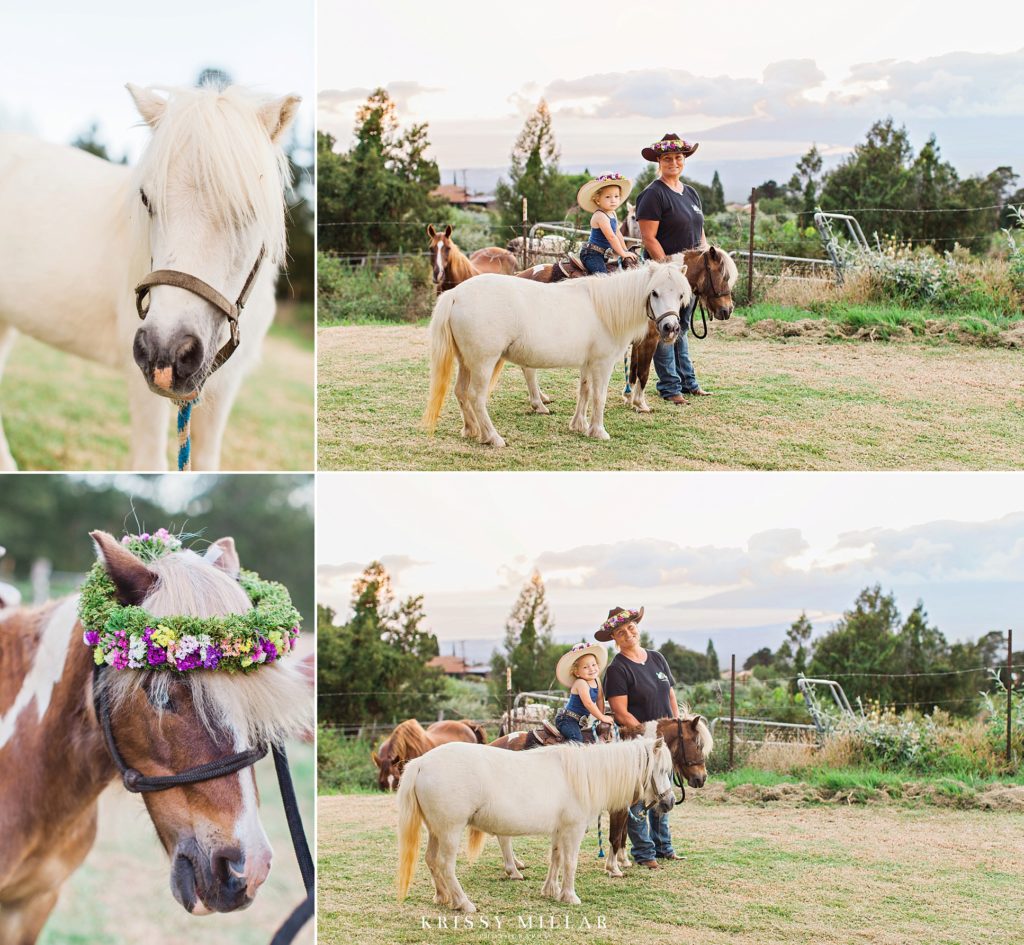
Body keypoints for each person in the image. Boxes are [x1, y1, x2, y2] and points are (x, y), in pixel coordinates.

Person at [598, 605, 682, 868]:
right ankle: (644, 853)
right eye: (621, 632)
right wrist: (647, 737)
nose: (628, 633)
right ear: (614, 638)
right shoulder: (618, 669)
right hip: (637, 745)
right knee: (637, 801)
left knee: (663, 792)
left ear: (637, 627)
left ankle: (663, 847)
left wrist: (676, 724)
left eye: (630, 628)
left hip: (662, 743)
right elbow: (621, 712)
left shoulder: (657, 658)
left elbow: (670, 695)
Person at [634, 133, 711, 404]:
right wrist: (668, 269)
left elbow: (700, 233)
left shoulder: (690, 193)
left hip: (688, 276)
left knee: (683, 328)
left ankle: (689, 382)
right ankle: (670, 388)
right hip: (665, 274)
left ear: (684, 160)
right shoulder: (653, 194)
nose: (674, 162)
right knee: (665, 330)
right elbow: (649, 238)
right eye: (667, 158)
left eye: (678, 157)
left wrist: (705, 261)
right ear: (659, 161)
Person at [575, 173, 638, 276]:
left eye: (616, 196)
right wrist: (622, 254)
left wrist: (625, 250)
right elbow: (611, 237)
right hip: (592, 254)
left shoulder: (612, 213)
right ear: (598, 199)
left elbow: (618, 233)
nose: (613, 200)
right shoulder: (600, 216)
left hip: (603, 254)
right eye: (608, 197)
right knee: (603, 277)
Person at [553, 642, 614, 742]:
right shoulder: (580, 683)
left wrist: (601, 717)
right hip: (567, 719)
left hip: (579, 721)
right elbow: (589, 703)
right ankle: (568, 756)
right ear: (577, 672)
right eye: (585, 667)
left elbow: (599, 698)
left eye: (594, 664)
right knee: (577, 739)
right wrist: (602, 717)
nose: (591, 669)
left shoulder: (596, 680)